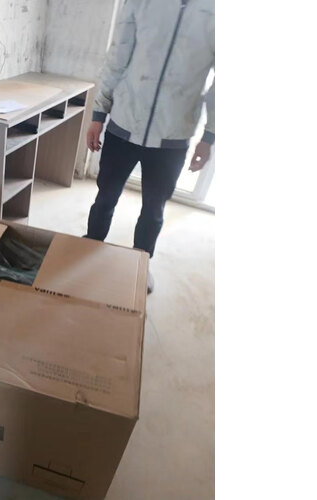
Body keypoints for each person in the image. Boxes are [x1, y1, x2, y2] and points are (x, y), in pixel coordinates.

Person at [85, 0, 215, 293]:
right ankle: (90, 247)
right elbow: (117, 57)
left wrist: (209, 136)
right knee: (105, 196)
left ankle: (141, 264)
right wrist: (98, 114)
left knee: (154, 208)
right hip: (124, 123)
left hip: (173, 135)